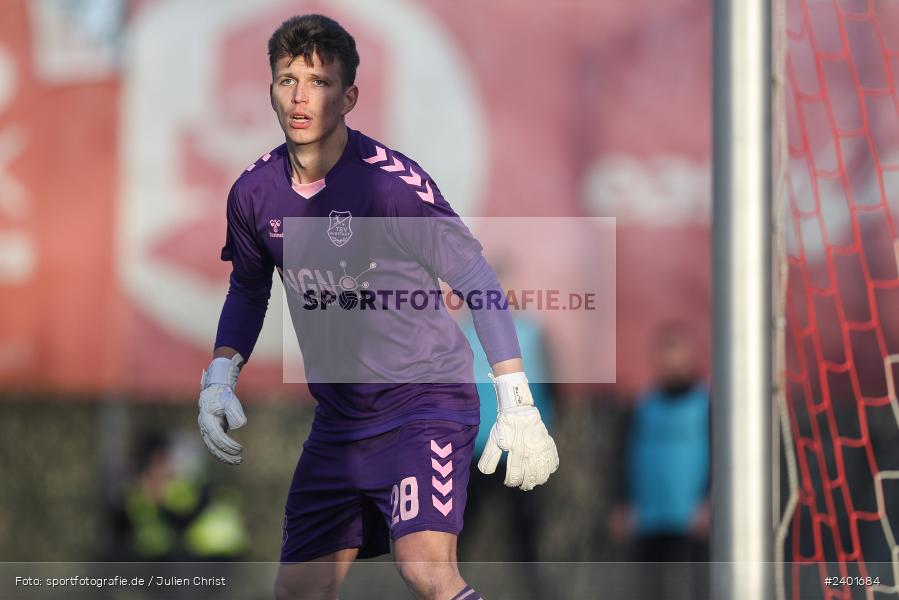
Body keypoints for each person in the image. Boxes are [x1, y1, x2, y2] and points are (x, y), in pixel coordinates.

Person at [195, 14, 559, 600]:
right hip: (340, 421)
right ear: (269, 90)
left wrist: (516, 403)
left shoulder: (392, 185)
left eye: (319, 81)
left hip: (425, 403)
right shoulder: (254, 194)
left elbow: (479, 282)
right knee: (298, 590)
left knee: (426, 569)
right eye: (287, 79)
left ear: (350, 96)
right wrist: (220, 374)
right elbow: (248, 286)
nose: (300, 96)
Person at [609, 322, 709, 600]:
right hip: (649, 516)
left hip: (691, 517)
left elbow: (719, 458)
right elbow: (623, 455)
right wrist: (623, 502)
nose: (672, 361)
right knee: (651, 588)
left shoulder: (706, 404)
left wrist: (708, 500)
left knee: (695, 585)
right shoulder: (643, 404)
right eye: (666, 352)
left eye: (678, 351)